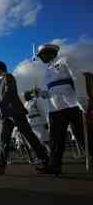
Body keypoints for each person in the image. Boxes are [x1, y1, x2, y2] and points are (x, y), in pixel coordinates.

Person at [0, 61, 49, 175]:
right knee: (4, 140)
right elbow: (5, 97)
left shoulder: (8, 77)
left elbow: (9, 93)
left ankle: (46, 161)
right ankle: (1, 166)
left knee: (29, 136)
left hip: (15, 112)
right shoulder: (2, 80)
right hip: (7, 114)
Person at [36, 44, 85, 175]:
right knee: (55, 139)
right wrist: (41, 93)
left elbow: (77, 78)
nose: (41, 58)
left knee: (81, 134)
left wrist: (82, 98)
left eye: (42, 55)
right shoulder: (47, 71)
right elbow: (49, 91)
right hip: (55, 108)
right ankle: (54, 166)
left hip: (72, 104)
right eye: (40, 56)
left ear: (51, 52)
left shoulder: (65, 60)